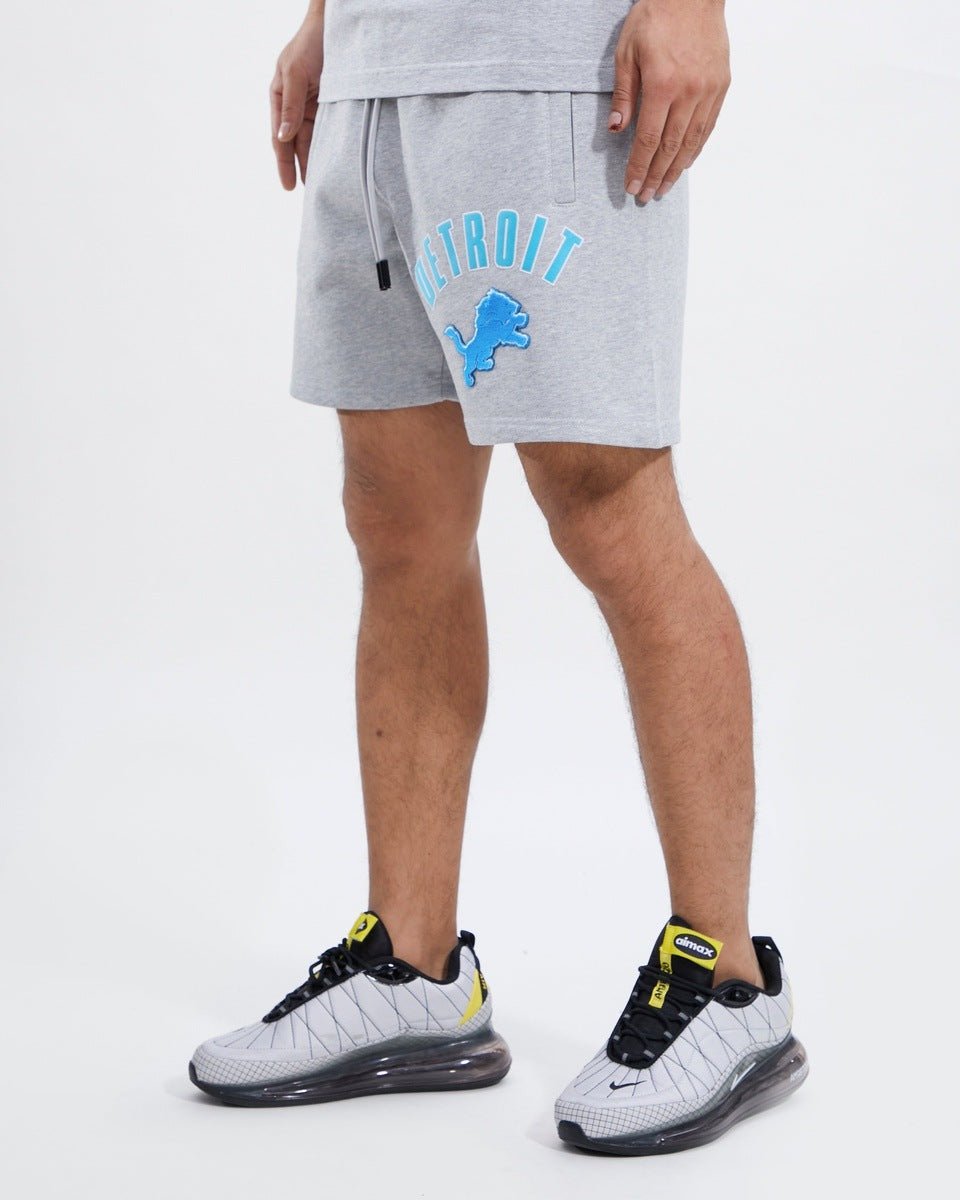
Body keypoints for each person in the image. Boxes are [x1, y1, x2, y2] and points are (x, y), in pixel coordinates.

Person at [189, 0, 808, 1153]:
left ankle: (728, 982)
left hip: (550, 71)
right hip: (378, 79)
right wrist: (326, 21)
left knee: (608, 509)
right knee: (397, 525)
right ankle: (414, 970)